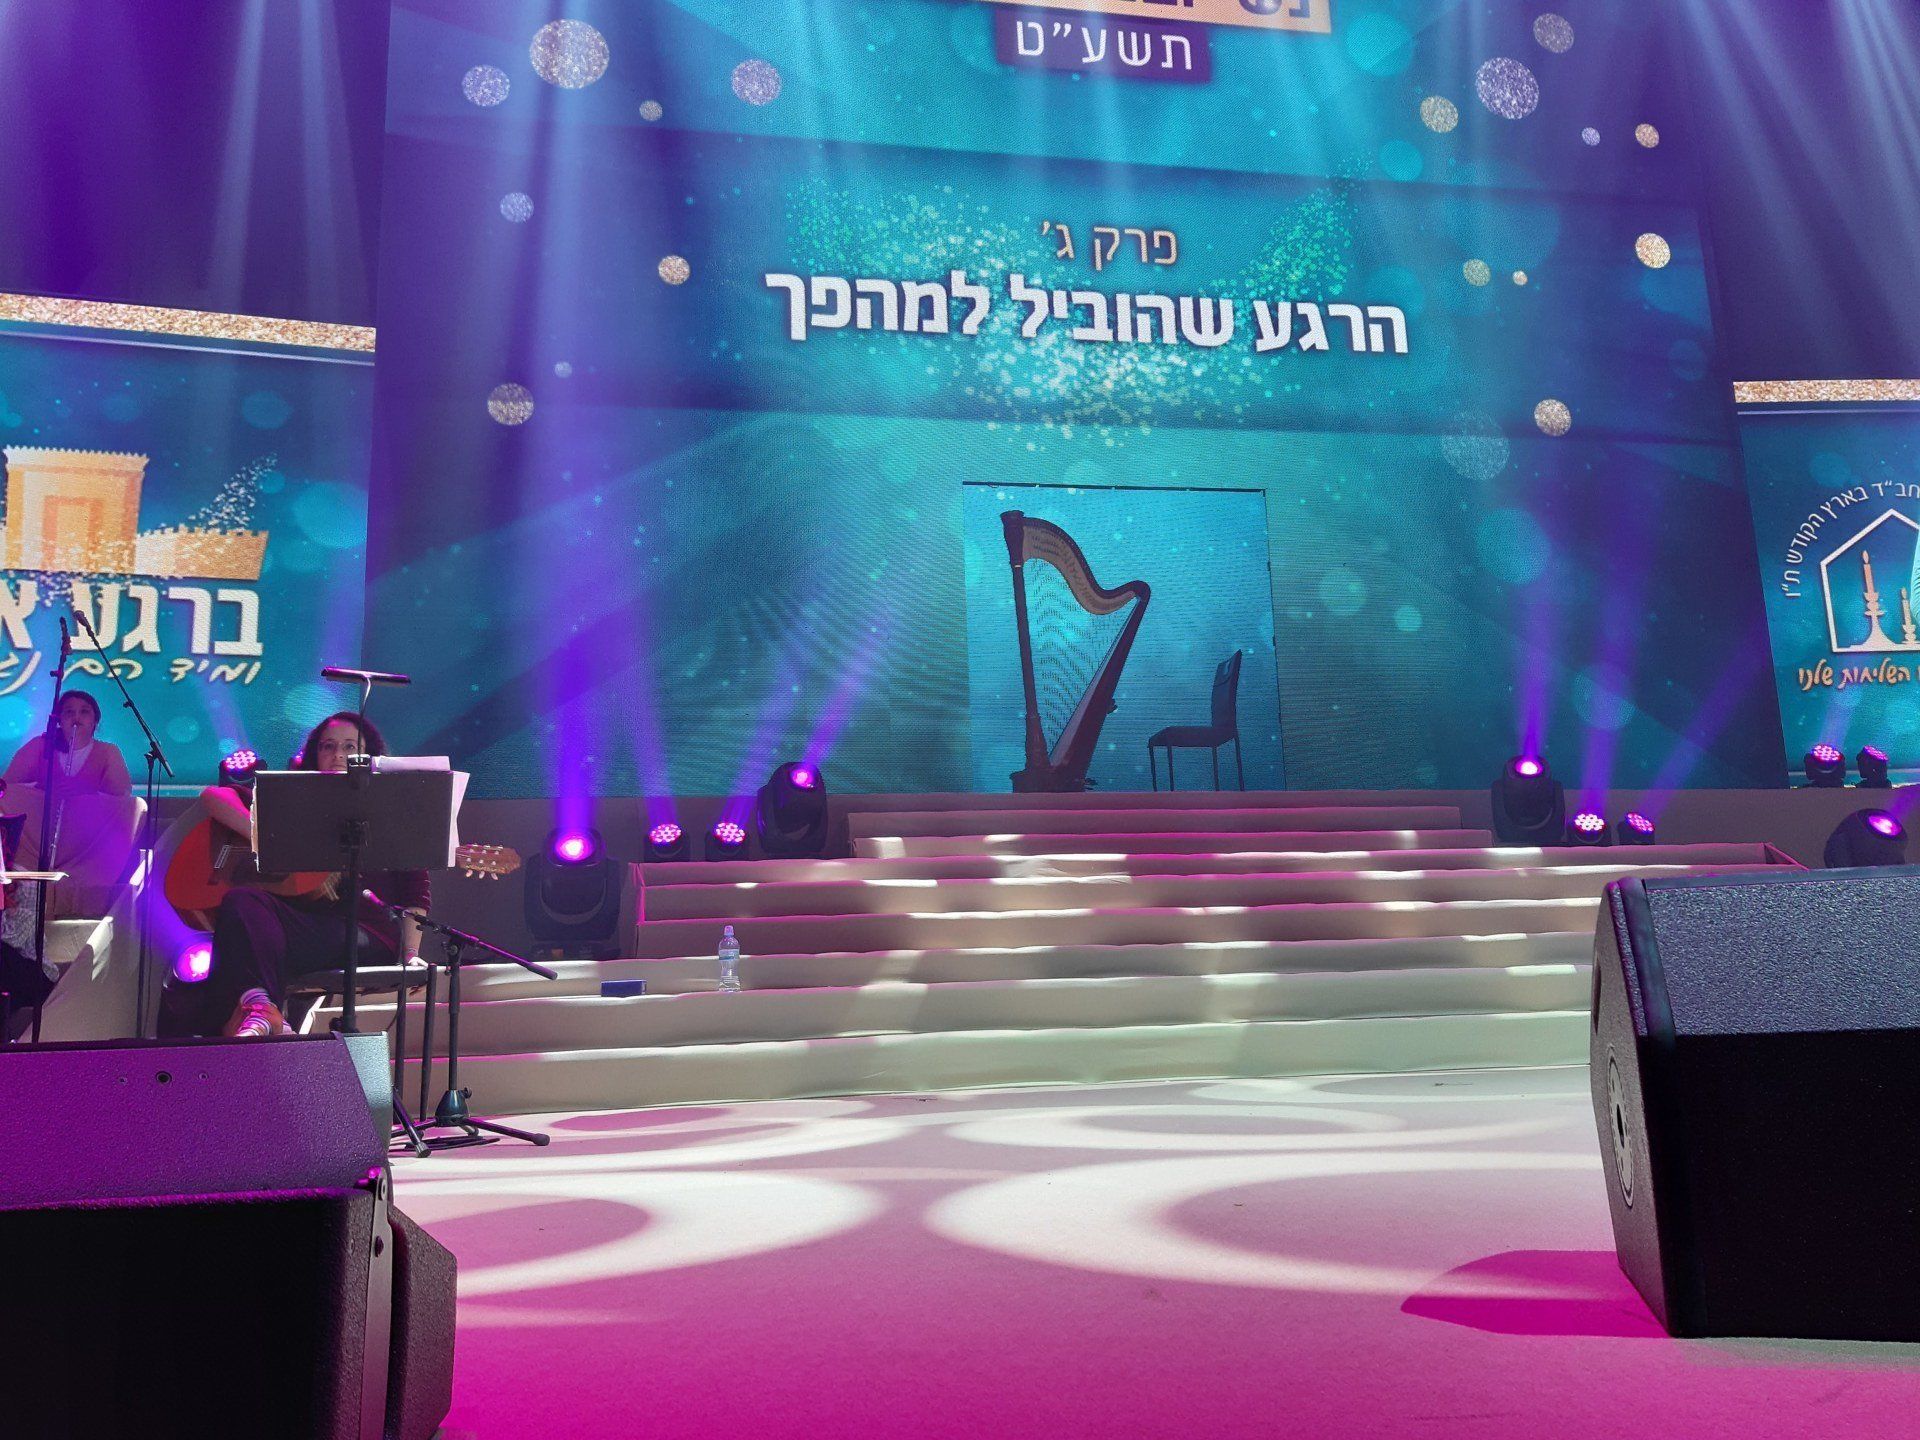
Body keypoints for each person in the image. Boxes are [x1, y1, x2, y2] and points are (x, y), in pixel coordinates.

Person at [167, 711, 429, 1039]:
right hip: (303, 924)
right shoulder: (294, 800)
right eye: (328, 746)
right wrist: (263, 838)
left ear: (370, 756)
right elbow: (214, 796)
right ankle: (263, 1009)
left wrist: (411, 955)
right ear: (314, 754)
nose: (338, 755)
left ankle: (251, 1022)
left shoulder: (390, 809)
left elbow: (415, 892)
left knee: (236, 947)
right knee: (241, 902)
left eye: (350, 747)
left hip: (366, 931)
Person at [1, 689, 140, 917]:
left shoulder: (107, 752)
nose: (76, 717)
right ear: (59, 720)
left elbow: (120, 795)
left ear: (95, 721)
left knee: (135, 806)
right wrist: (45, 789)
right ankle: (25, 870)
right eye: (69, 712)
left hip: (85, 835)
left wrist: (86, 793)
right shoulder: (41, 746)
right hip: (41, 828)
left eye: (84, 712)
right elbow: (8, 786)